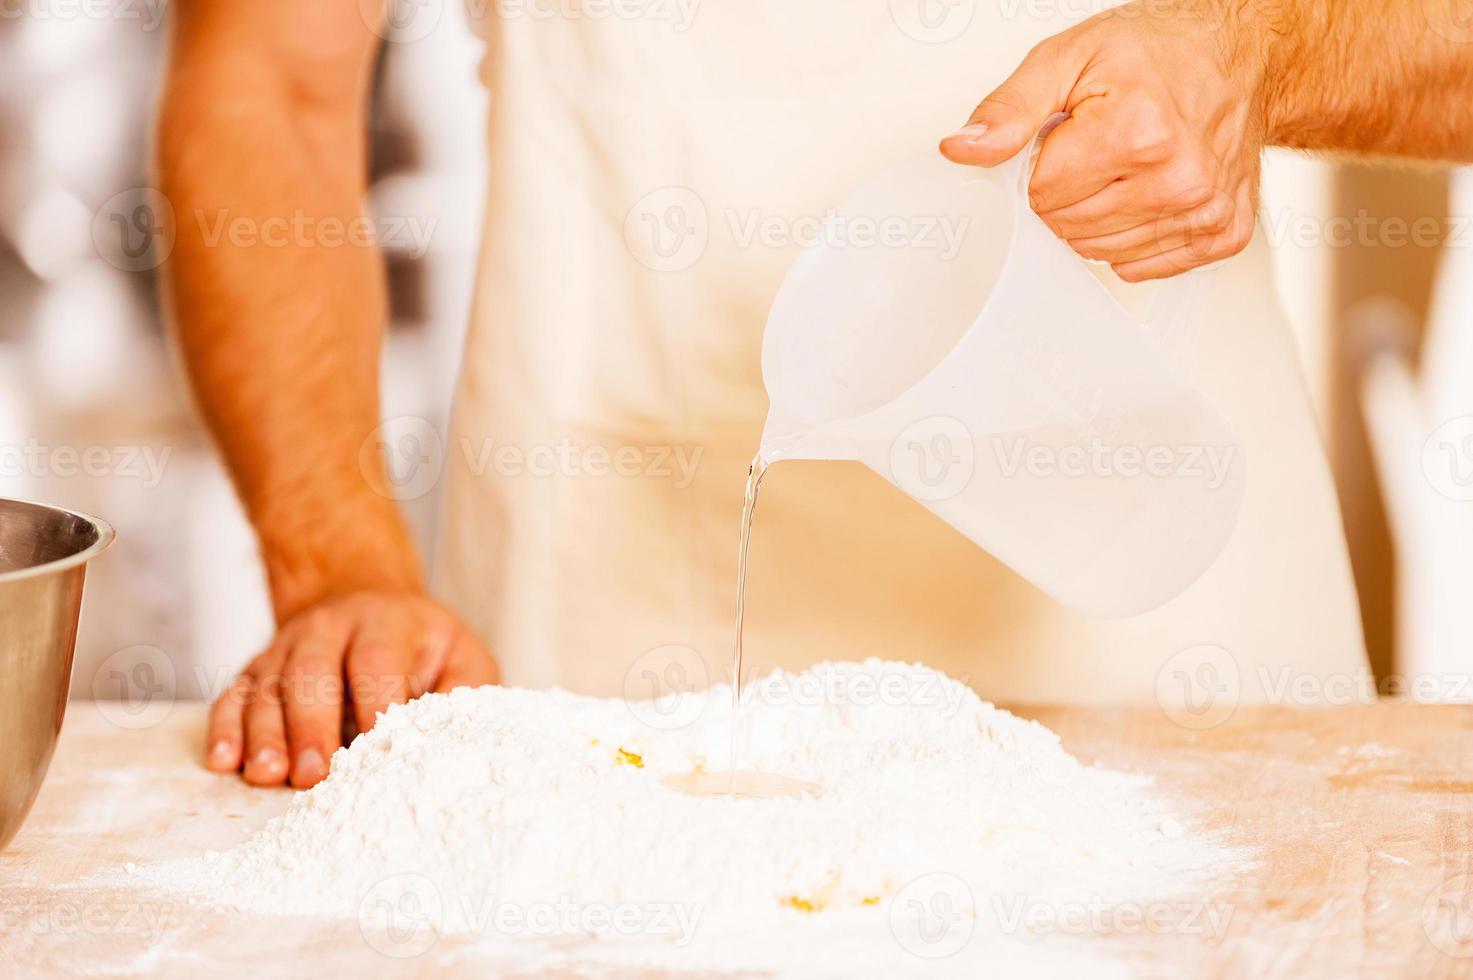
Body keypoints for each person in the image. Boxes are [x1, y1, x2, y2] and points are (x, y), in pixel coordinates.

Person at [158, 0, 1473, 787]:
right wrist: (337, 571)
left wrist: (1259, 49)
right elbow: (268, 74)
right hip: (602, 672)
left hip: (1171, 658)